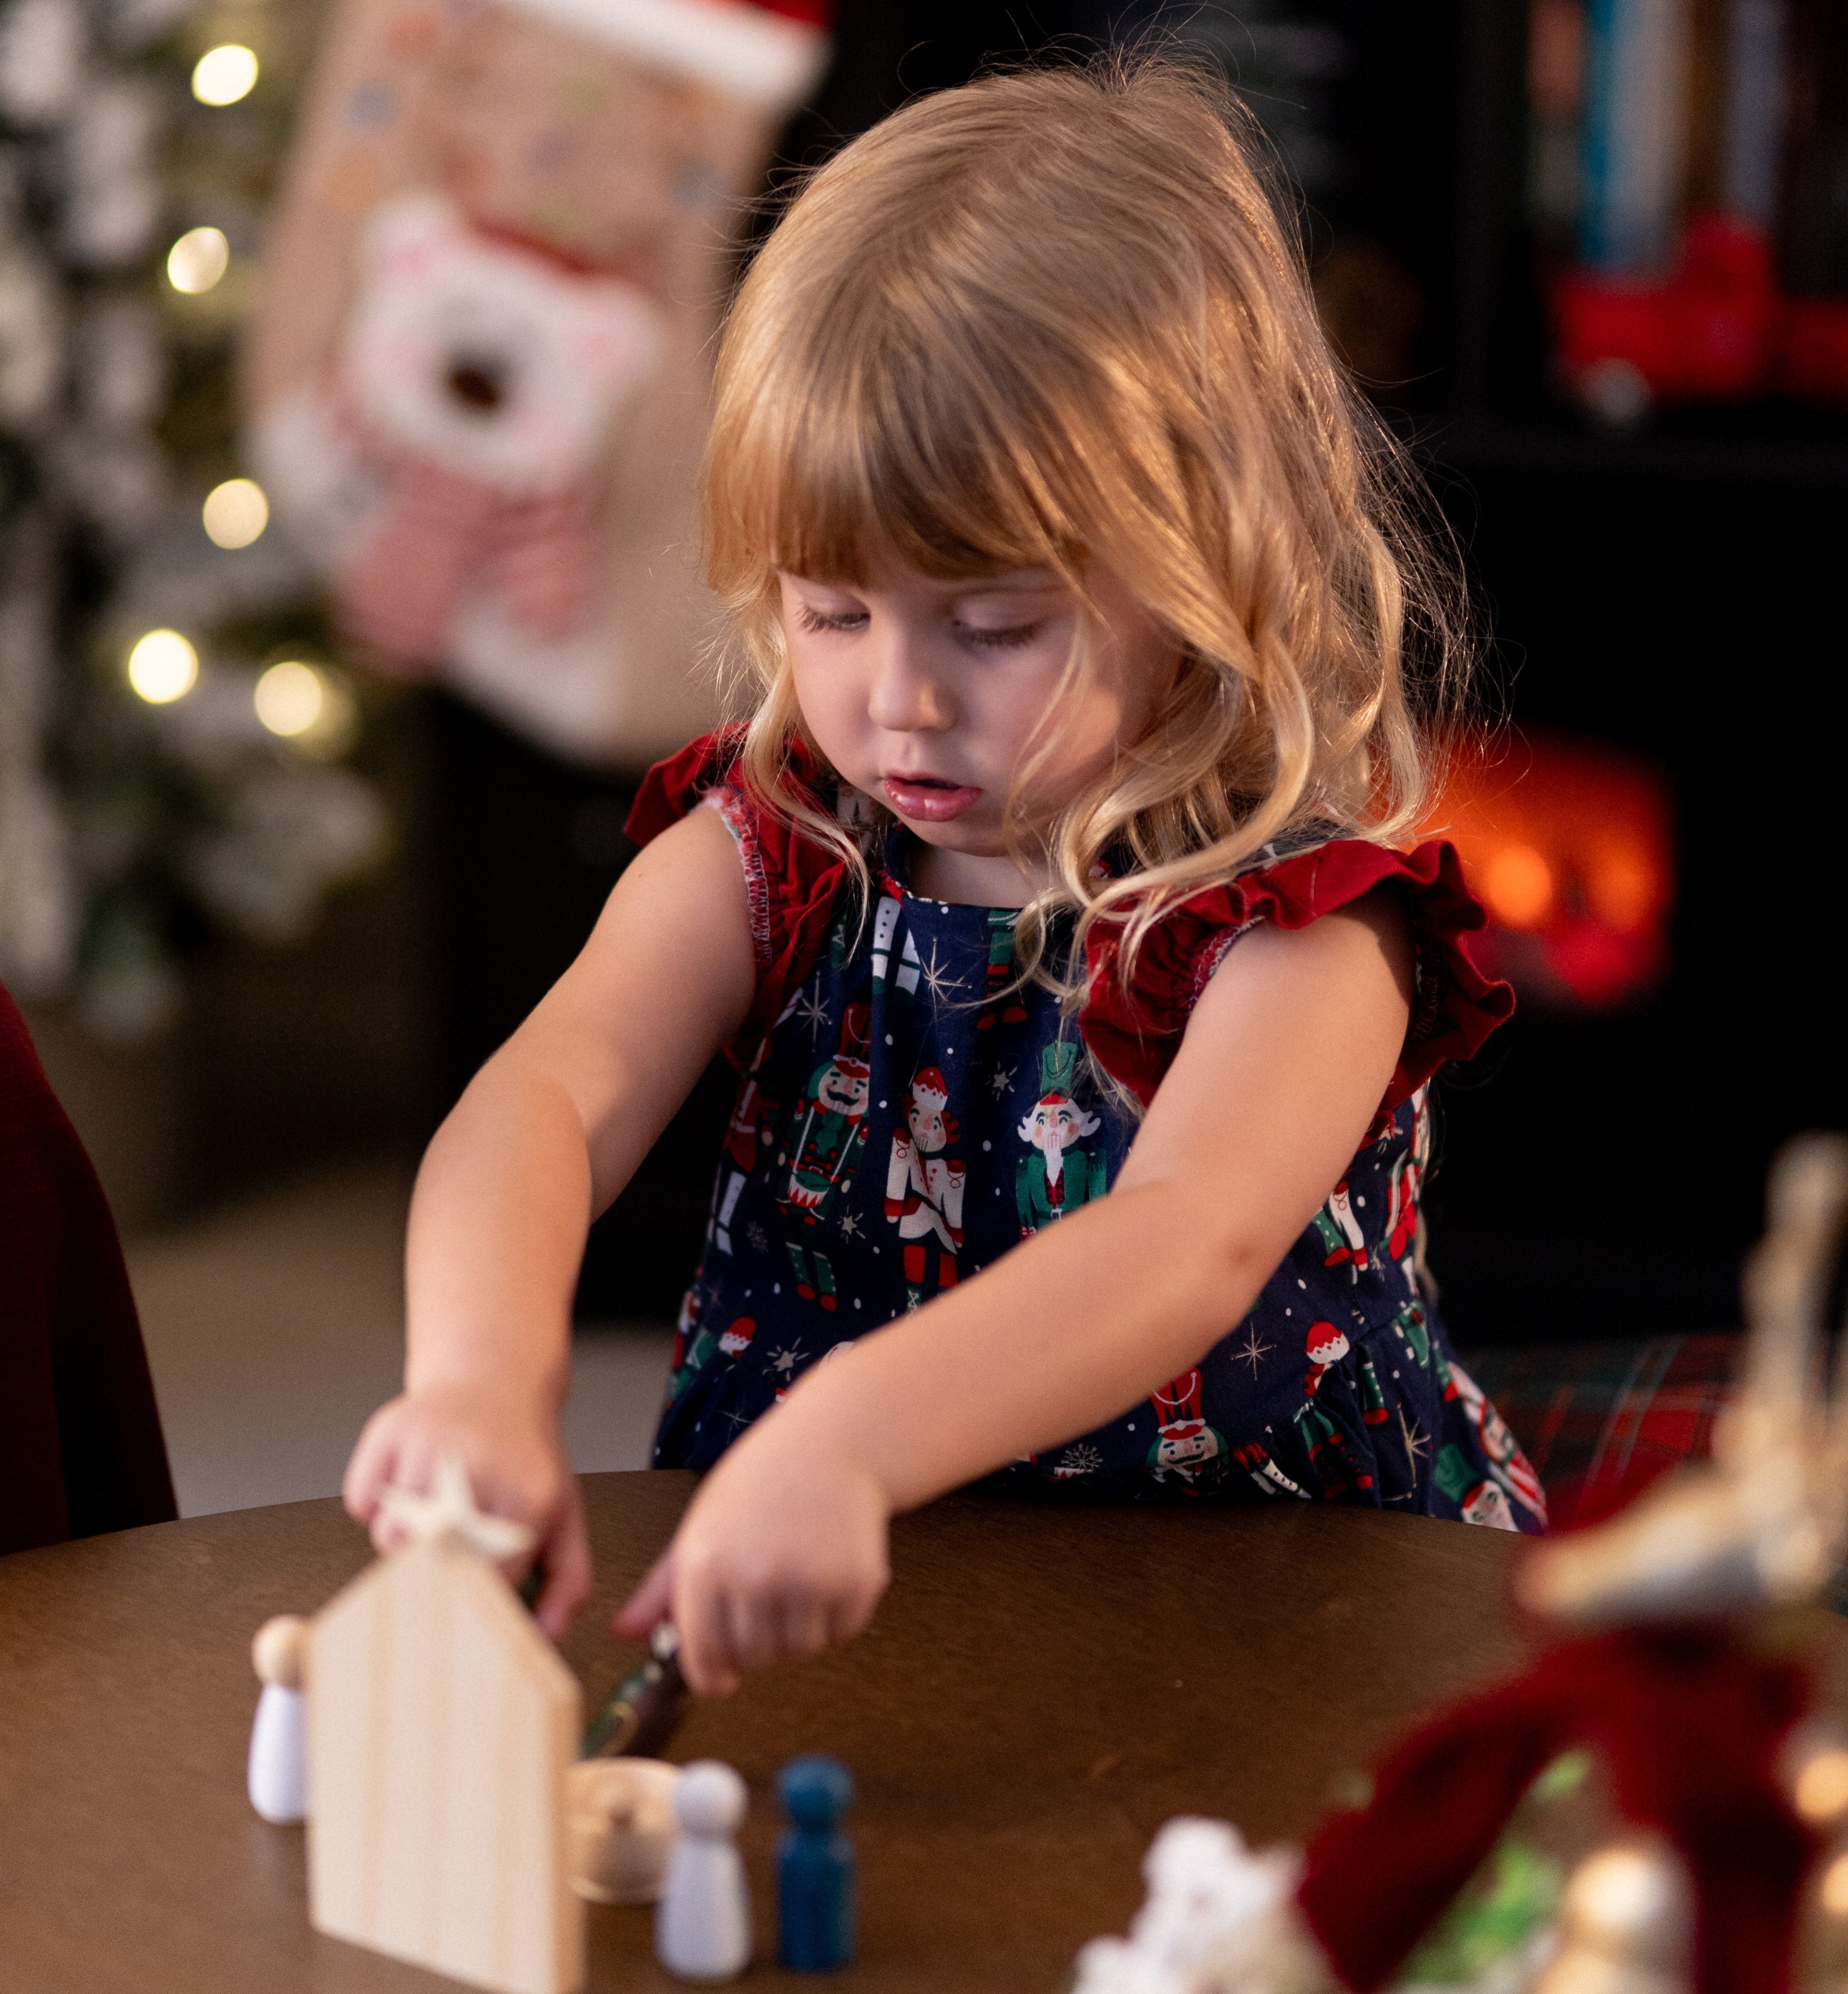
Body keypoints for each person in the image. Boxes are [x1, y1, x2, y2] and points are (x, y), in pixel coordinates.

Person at [343, 57, 1542, 1696]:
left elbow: (1184, 1245)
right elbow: (548, 1094)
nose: (898, 699)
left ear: (1199, 562)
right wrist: (478, 1376)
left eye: (992, 626)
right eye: (832, 611)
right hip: (833, 1583)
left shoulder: (1301, 930)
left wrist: (849, 1430)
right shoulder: (775, 847)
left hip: (1267, 1619)